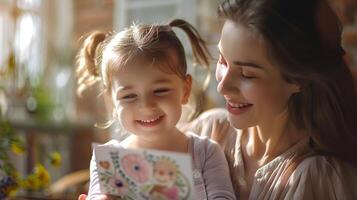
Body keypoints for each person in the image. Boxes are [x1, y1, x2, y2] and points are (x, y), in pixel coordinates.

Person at [184, 0, 357, 199]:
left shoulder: (319, 179)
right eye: (222, 61)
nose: (223, 86)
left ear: (298, 78)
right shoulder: (209, 131)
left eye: (247, 74)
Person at [76, 19, 236, 200]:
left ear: (185, 90)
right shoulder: (108, 160)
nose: (146, 106)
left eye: (160, 91)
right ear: (111, 102)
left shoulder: (206, 153)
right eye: (129, 96)